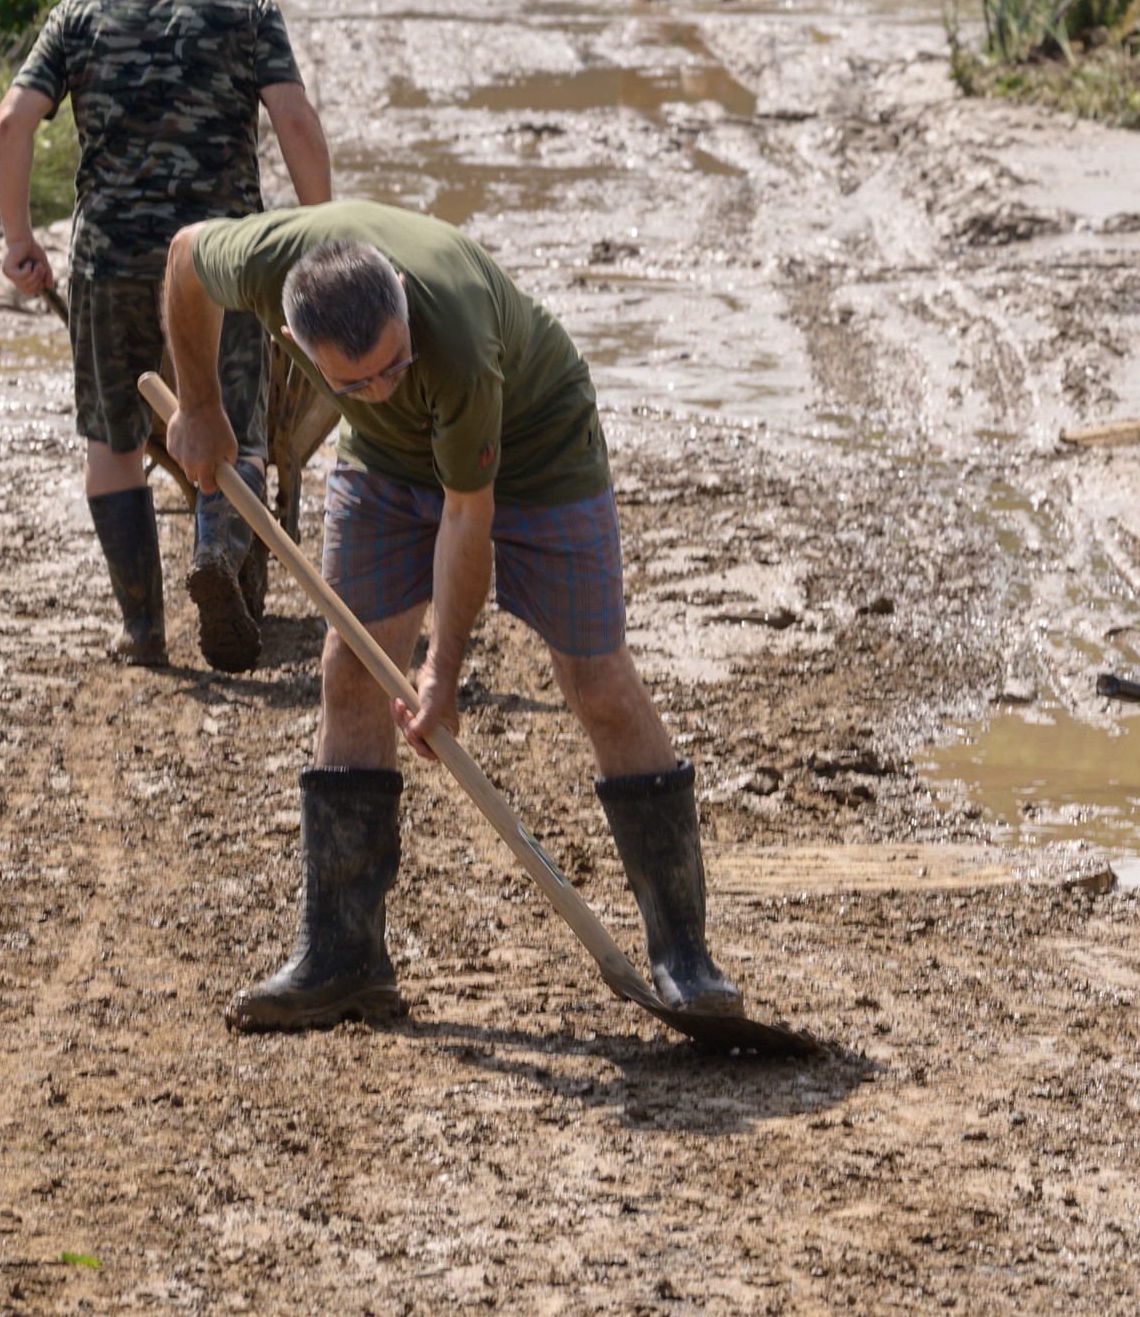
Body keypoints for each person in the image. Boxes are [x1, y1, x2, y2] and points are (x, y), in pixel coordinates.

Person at [159, 200, 742, 1029]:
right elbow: (184, 255)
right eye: (351, 381)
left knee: (596, 680)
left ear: (401, 296)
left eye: (394, 367)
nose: (380, 387)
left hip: (539, 444)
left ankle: (685, 957)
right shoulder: (262, 262)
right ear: (294, 348)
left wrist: (442, 674)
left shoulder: (457, 342)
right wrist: (201, 404)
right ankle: (343, 957)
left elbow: (468, 518)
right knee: (350, 670)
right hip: (386, 461)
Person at [0, 0, 332, 671]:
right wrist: (321, 237)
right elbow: (295, 123)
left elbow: (12, 124)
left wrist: (19, 239)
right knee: (237, 428)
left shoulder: (79, 13)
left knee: (114, 442)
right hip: (221, 264)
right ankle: (215, 550)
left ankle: (142, 630)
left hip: (111, 258)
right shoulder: (246, 8)